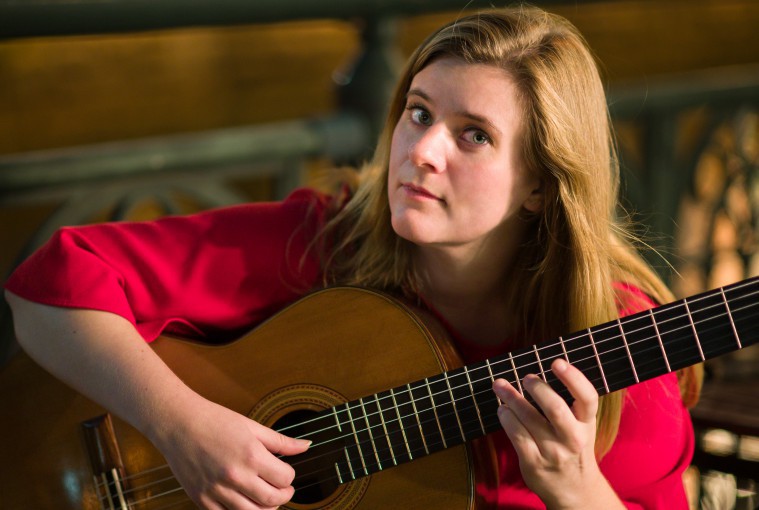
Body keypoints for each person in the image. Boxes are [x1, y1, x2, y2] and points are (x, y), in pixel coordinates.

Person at [4, 6, 701, 510]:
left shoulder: (618, 355)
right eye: (419, 113)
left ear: (541, 186)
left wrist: (578, 491)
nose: (421, 150)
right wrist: (181, 426)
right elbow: (48, 286)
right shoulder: (325, 238)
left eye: (473, 136)